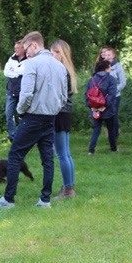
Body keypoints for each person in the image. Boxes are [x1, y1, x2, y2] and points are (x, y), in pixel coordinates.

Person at [0, 31, 68, 209]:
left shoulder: (32, 64)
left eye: (26, 49)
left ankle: (8, 200)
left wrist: (20, 111)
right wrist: (52, 110)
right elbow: (63, 96)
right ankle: (45, 200)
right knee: (47, 159)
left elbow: (26, 94)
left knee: (15, 156)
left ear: (34, 45)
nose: (26, 53)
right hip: (51, 118)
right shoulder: (60, 66)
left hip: (32, 117)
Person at [50, 39, 77, 200]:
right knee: (66, 153)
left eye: (55, 52)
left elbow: (55, 95)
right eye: (52, 52)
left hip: (59, 113)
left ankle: (67, 189)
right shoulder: (68, 70)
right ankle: (69, 186)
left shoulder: (60, 71)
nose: (52, 55)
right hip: (65, 113)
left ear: (62, 53)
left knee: (61, 154)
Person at [85, 59, 119, 155]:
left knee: (96, 129)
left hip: (94, 109)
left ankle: (91, 150)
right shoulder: (111, 79)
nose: (110, 69)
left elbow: (87, 94)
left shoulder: (92, 79)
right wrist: (105, 106)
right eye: (110, 67)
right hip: (107, 109)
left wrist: (90, 106)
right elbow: (112, 94)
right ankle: (113, 148)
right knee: (111, 128)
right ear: (106, 68)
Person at [2, 41, 26, 143]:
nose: (15, 49)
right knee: (8, 114)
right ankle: (12, 136)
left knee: (22, 114)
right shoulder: (12, 59)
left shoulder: (29, 59)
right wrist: (17, 73)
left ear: (23, 49)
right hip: (11, 90)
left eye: (18, 48)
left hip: (22, 92)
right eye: (15, 48)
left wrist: (14, 70)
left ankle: (22, 135)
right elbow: (6, 72)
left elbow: (25, 71)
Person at [103, 47, 126, 144]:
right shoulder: (102, 66)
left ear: (114, 56)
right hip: (104, 96)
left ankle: (115, 136)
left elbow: (123, 82)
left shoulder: (118, 67)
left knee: (113, 116)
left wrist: (114, 91)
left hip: (115, 96)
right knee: (106, 116)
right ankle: (110, 136)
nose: (107, 57)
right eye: (105, 55)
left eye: (109, 55)